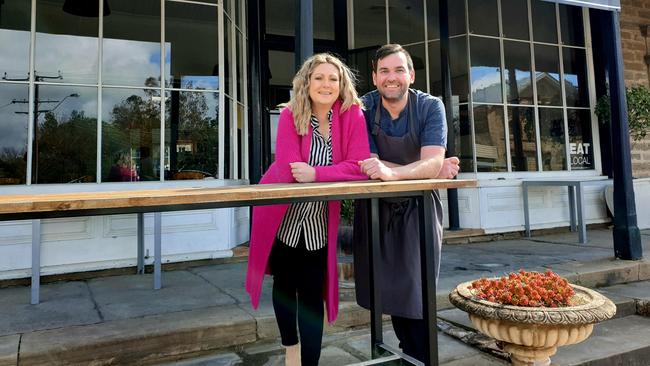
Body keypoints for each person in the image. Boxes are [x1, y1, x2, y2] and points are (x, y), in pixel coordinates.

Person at [245, 53, 371, 366]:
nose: (326, 84)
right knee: (284, 285)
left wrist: (317, 173)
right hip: (281, 215)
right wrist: (331, 170)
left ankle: (310, 362)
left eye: (333, 78)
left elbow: (358, 167)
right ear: (307, 82)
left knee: (313, 293)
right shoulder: (291, 113)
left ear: (342, 84)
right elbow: (289, 168)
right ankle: (291, 347)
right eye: (319, 78)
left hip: (318, 220)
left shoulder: (353, 114)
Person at [353, 44, 460, 362]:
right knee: (387, 289)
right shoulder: (363, 108)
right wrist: (426, 171)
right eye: (384, 70)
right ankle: (408, 354)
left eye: (399, 70)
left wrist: (402, 170)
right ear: (374, 77)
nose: (392, 77)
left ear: (411, 75)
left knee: (416, 290)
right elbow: (370, 167)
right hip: (376, 208)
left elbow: (430, 162)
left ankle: (420, 356)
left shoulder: (430, 107)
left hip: (418, 209)